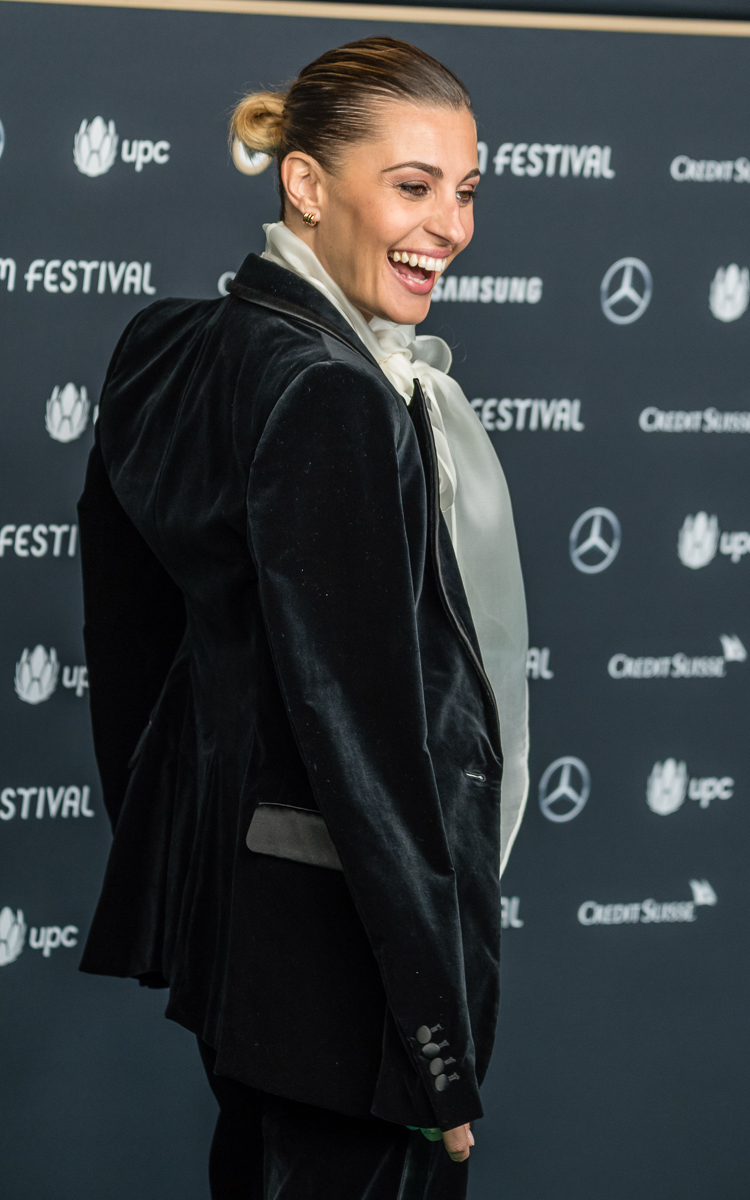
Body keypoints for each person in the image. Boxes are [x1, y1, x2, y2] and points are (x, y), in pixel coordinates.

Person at [77, 35, 528, 1200]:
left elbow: (130, 653)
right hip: (351, 990)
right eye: (414, 186)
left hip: (241, 948)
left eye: (467, 191)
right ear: (308, 185)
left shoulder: (169, 345)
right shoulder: (334, 392)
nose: (451, 228)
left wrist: (190, 870)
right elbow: (370, 746)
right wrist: (437, 1045)